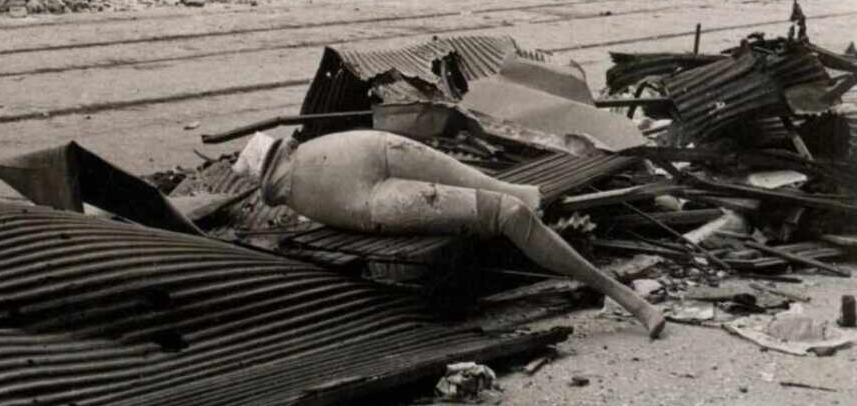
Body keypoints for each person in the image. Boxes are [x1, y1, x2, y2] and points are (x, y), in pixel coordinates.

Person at [242, 130, 666, 339]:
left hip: (371, 160)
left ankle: (625, 297)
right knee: (507, 209)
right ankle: (627, 298)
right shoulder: (298, 178)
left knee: (507, 200)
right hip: (369, 174)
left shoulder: (292, 189)